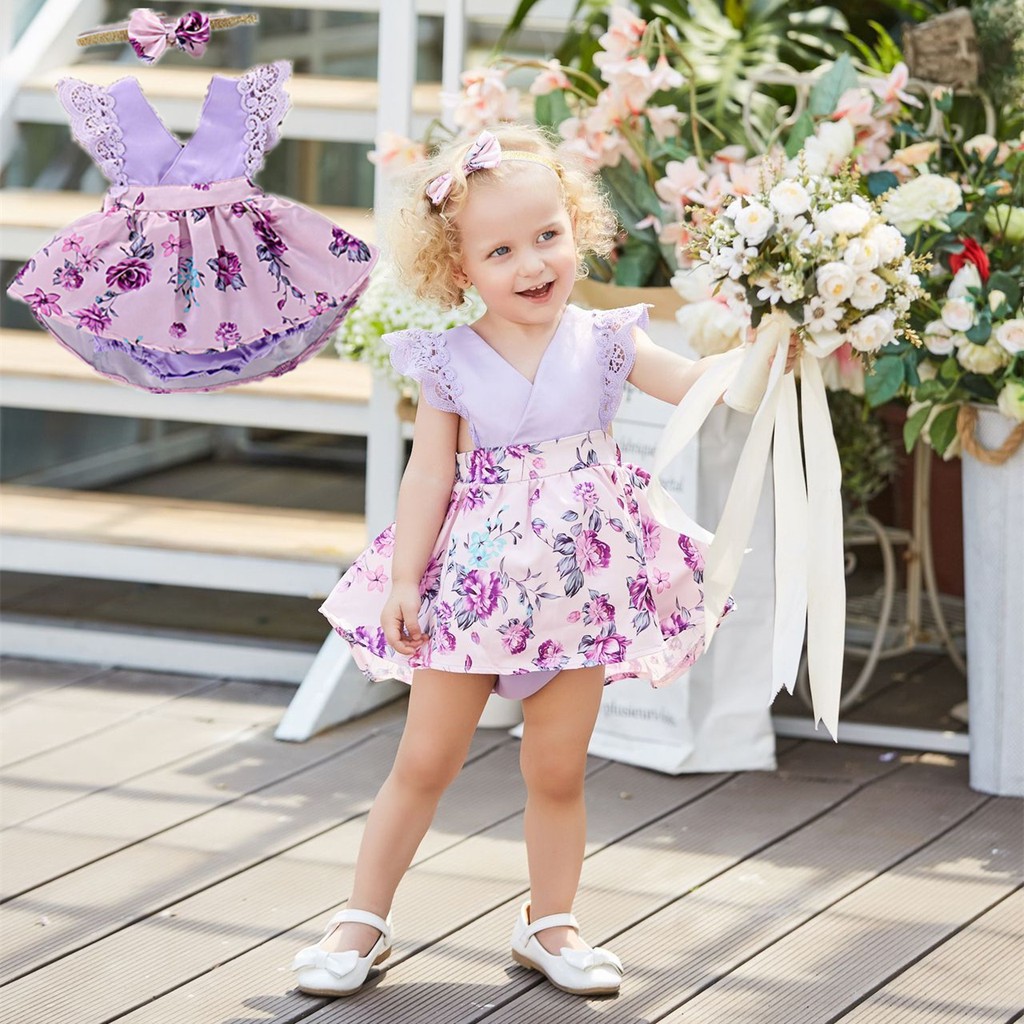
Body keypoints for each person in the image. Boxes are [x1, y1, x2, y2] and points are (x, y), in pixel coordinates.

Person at [291, 125, 797, 999]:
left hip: (579, 592)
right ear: (460, 271)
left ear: (577, 229)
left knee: (556, 770)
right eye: (501, 250)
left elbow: (701, 386)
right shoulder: (446, 360)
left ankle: (550, 921)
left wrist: (771, 346)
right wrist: (408, 578)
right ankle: (360, 921)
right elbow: (428, 475)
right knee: (424, 762)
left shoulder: (607, 340)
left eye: (547, 237)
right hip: (474, 592)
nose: (532, 264)